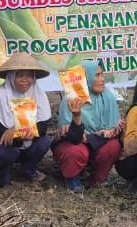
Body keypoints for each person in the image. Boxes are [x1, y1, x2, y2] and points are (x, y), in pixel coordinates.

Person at [0, 52, 54, 191]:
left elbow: (43, 126)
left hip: (26, 141)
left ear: (34, 78)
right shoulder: (1, 94)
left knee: (44, 141)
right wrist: (21, 133)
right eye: (20, 75)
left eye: (29, 75)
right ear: (11, 76)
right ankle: (0, 176)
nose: (25, 80)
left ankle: (29, 169)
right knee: (9, 151)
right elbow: (2, 133)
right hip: (1, 144)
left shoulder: (38, 93)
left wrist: (26, 132)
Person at [52, 61, 123, 192]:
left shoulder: (107, 95)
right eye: (97, 75)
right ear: (86, 77)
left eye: (102, 75)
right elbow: (72, 137)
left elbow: (114, 130)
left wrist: (93, 138)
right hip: (75, 142)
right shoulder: (71, 98)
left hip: (98, 141)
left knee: (113, 146)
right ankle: (72, 177)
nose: (102, 80)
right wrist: (77, 116)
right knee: (75, 151)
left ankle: (97, 179)